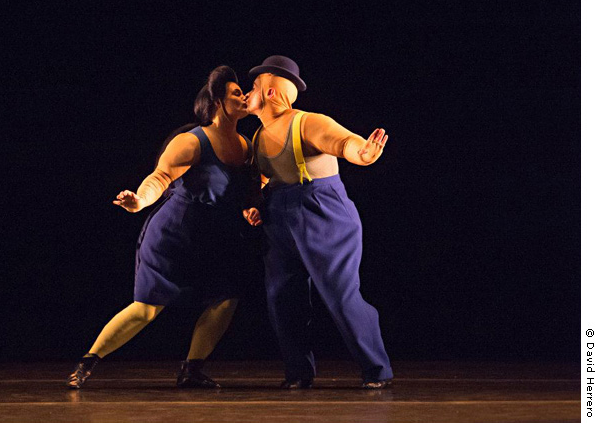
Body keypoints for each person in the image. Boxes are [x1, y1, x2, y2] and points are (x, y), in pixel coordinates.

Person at [67, 67, 256, 391]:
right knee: (147, 309)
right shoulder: (191, 141)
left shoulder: (245, 145)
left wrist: (251, 208)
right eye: (236, 93)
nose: (244, 96)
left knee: (226, 298)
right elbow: (160, 177)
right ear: (217, 102)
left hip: (213, 237)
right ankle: (87, 362)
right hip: (174, 233)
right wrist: (139, 200)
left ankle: (191, 370)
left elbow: (246, 188)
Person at [243, 56, 391, 390]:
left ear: (269, 89)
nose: (247, 91)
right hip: (278, 217)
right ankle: (298, 372)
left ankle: (376, 368)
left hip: (321, 212)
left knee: (339, 293)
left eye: (253, 85)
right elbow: (267, 178)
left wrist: (362, 153)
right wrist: (255, 205)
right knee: (283, 297)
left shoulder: (307, 122)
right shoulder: (257, 137)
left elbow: (343, 142)